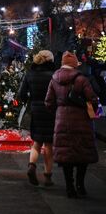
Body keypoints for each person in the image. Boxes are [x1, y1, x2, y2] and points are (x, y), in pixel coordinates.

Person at [45, 51, 99, 198]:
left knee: (66, 156)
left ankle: (69, 187)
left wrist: (58, 113)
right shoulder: (81, 79)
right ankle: (80, 185)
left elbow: (48, 102)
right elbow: (93, 100)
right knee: (82, 154)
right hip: (81, 121)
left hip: (62, 120)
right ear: (74, 64)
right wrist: (90, 111)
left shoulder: (54, 80)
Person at [18, 50, 56, 187]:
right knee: (49, 146)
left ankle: (32, 165)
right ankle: (47, 176)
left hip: (35, 110)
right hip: (51, 111)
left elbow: (22, 94)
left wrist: (30, 101)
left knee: (37, 141)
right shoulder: (54, 76)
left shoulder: (30, 74)